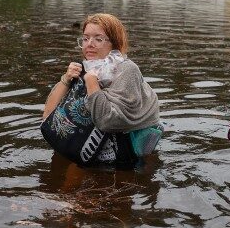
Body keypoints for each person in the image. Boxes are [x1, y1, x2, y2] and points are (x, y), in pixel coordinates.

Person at [41, 13, 162, 167]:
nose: (89, 44)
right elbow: (47, 117)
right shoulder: (85, 67)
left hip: (123, 157)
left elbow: (109, 121)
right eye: (85, 38)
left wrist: (92, 83)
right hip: (86, 151)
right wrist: (65, 79)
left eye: (98, 39)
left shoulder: (126, 70)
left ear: (114, 43)